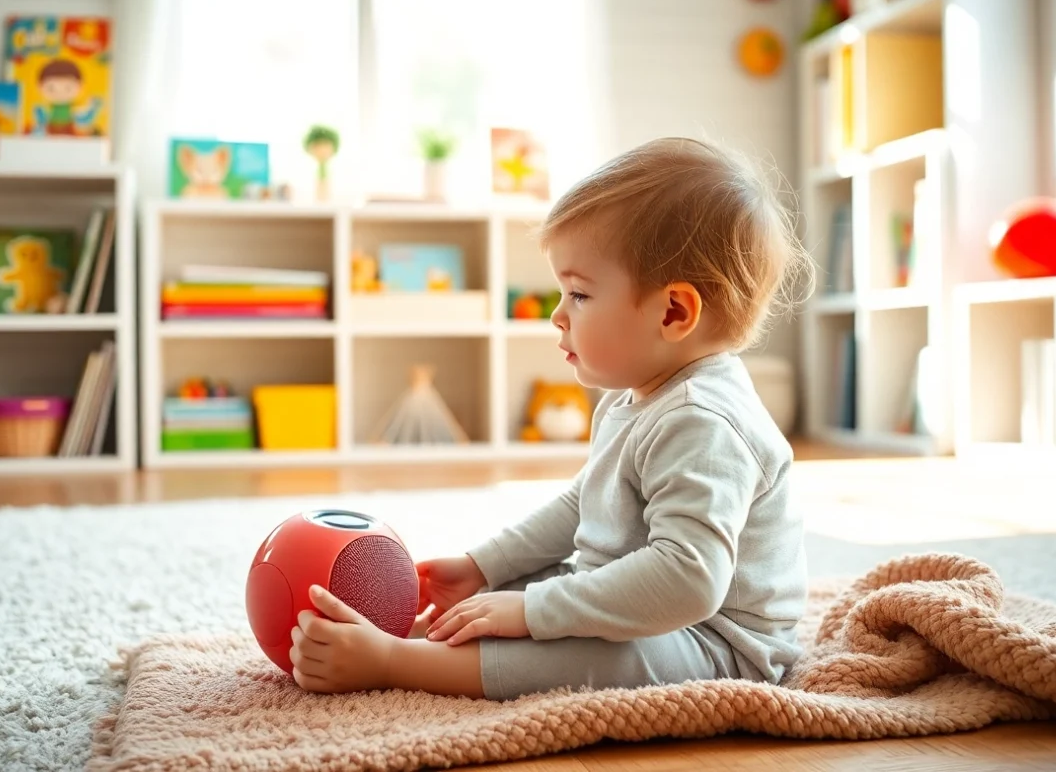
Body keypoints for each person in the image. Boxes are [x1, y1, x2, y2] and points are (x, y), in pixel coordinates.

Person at [289, 136, 815, 700]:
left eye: (579, 294)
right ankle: (420, 638)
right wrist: (482, 567)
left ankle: (396, 664)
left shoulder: (703, 424)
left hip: (715, 643)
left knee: (565, 632)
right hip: (640, 595)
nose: (557, 315)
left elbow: (689, 580)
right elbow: (583, 502)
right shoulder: (636, 394)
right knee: (512, 594)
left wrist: (532, 611)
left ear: (673, 311)